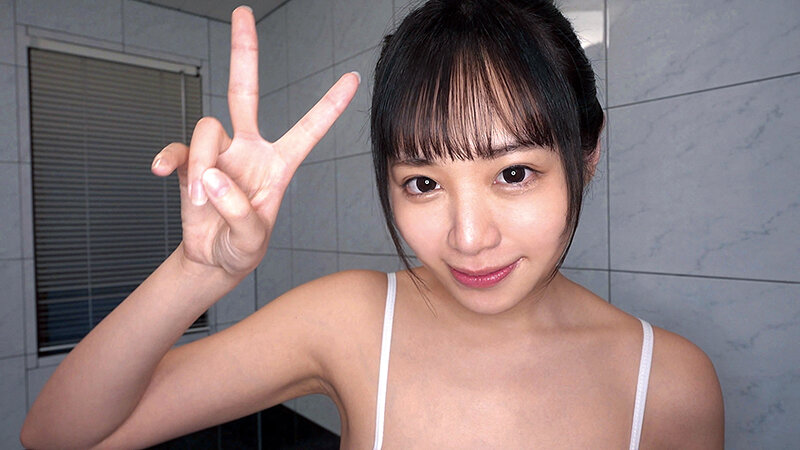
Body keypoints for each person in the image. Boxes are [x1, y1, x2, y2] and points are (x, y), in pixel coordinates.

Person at [20, 1, 724, 448]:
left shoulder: (670, 383)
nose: (469, 237)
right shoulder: (351, 320)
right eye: (423, 183)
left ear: (586, 157)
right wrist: (196, 273)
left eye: (514, 173)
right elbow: (56, 435)